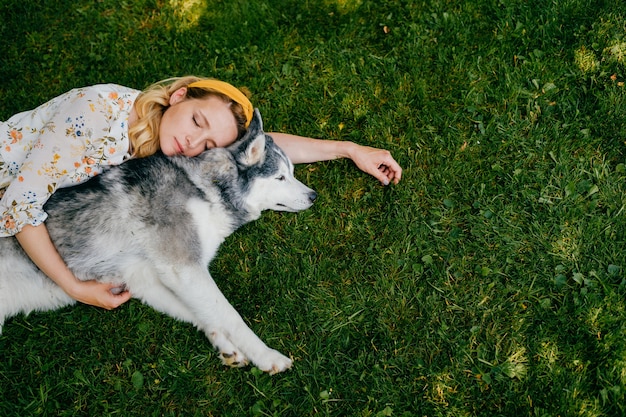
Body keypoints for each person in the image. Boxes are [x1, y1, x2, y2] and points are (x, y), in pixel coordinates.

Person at [0, 76, 402, 311]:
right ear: (178, 95)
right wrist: (75, 287)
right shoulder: (94, 114)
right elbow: (18, 207)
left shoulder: (163, 132)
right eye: (197, 120)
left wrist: (348, 149)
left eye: (208, 144)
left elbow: (257, 149)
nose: (193, 142)